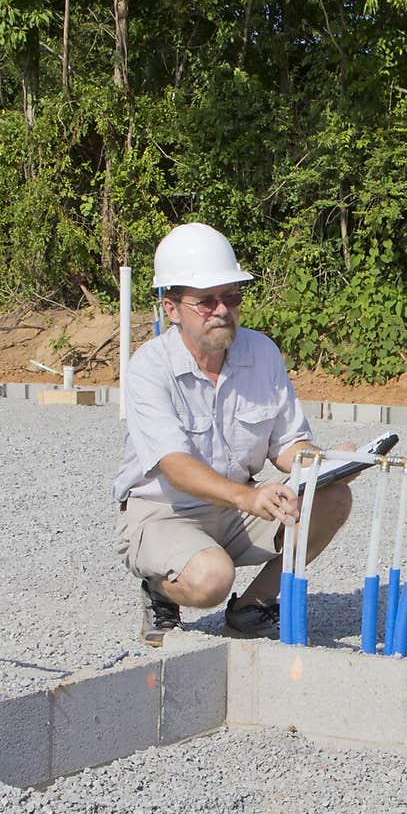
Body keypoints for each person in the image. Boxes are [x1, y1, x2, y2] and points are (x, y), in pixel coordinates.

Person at [113, 221, 353, 645]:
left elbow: (286, 444)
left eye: (231, 297)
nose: (222, 310)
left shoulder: (262, 353)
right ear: (171, 308)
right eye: (206, 302)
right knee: (211, 578)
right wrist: (247, 497)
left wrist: (325, 462)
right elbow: (174, 466)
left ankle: (253, 608)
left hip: (239, 507)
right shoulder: (149, 367)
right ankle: (159, 587)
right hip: (165, 510)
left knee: (332, 497)